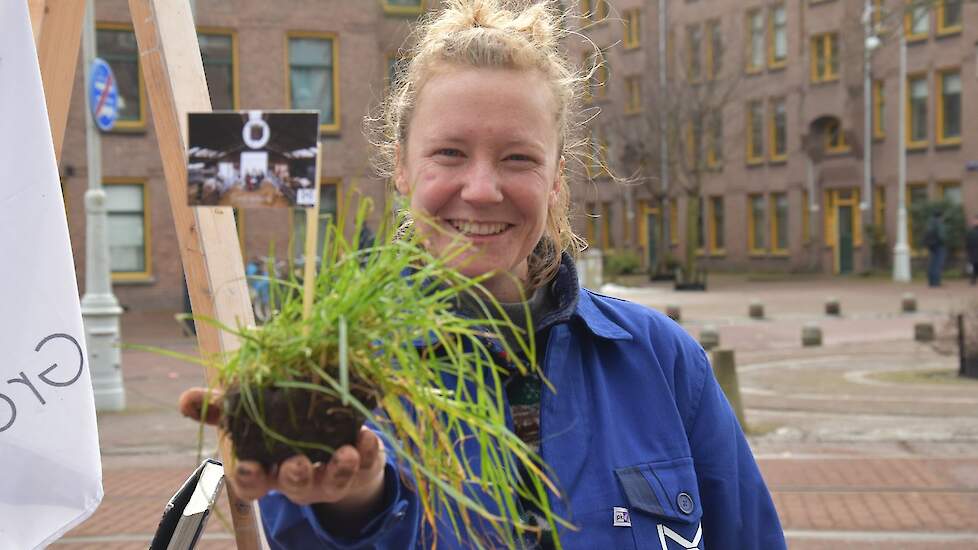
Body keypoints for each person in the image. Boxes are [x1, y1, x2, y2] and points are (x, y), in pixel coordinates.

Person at [179, 1, 786, 547]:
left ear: (554, 181)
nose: (482, 188)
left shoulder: (662, 361)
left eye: (518, 158)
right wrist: (358, 504)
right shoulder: (325, 368)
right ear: (403, 170)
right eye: (449, 153)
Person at [923, 210, 948, 287]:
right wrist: (945, 241)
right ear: (940, 216)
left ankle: (931, 282)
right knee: (938, 264)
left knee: (932, 263)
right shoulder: (939, 223)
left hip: (931, 246)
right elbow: (942, 236)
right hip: (939, 246)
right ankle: (936, 282)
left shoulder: (929, 223)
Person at [966, 213, 978, 286]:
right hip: (974, 250)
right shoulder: (971, 231)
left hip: (974, 250)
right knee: (975, 265)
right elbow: (968, 241)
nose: (974, 221)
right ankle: (973, 280)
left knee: (975, 265)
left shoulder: (972, 231)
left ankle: (973, 280)